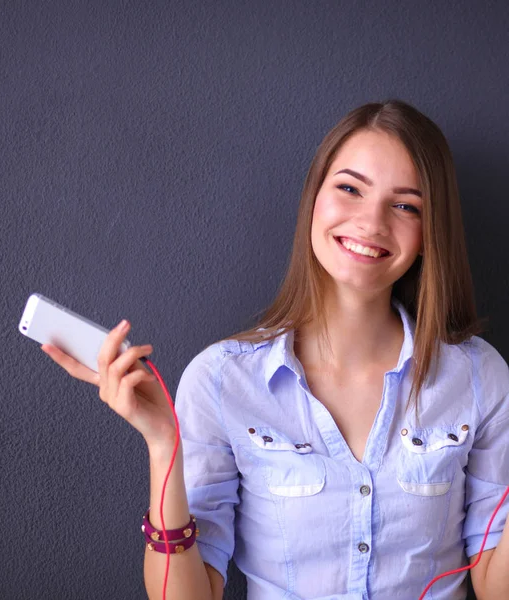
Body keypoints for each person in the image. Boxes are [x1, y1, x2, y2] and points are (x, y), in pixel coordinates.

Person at [40, 100, 509, 599]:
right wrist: (163, 446)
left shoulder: (479, 377)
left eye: (405, 205)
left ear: (427, 234)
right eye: (349, 188)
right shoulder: (222, 380)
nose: (372, 223)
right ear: (313, 200)